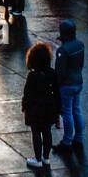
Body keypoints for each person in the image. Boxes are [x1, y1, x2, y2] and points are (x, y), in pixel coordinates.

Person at [22, 41, 61, 169]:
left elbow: (27, 94)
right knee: (47, 131)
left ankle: (37, 159)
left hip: (35, 109)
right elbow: (57, 93)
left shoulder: (32, 76)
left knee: (36, 133)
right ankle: (46, 157)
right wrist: (58, 111)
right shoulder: (53, 73)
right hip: (50, 107)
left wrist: (25, 107)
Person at [54, 18, 85, 151]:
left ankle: (67, 141)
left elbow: (60, 72)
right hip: (78, 81)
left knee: (67, 113)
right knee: (76, 110)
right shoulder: (80, 45)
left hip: (67, 85)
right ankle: (79, 137)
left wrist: (56, 86)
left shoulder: (63, 50)